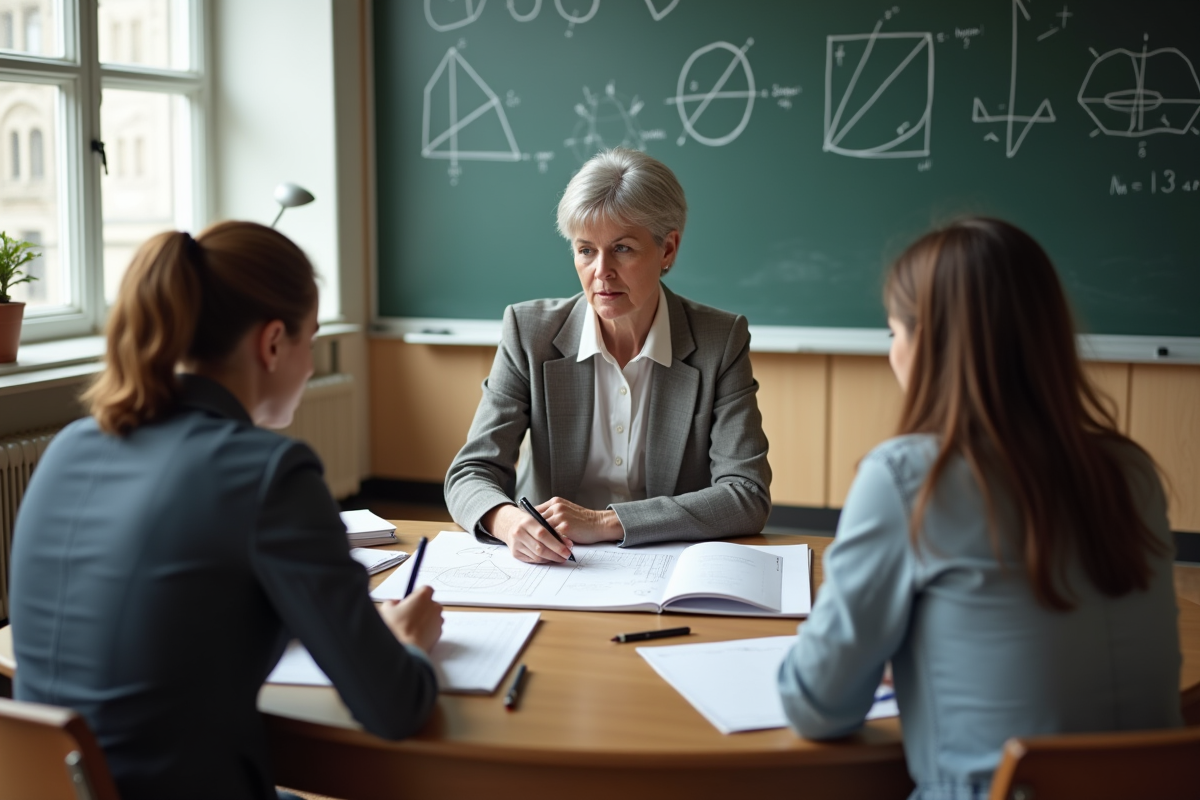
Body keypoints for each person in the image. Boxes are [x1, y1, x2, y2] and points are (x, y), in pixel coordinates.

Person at [10, 222, 443, 800]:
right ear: (272, 343)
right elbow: (393, 707)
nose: (310, 366)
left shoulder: (70, 446)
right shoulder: (268, 472)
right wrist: (406, 644)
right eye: (311, 342)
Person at [778, 218, 1182, 799]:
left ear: (926, 342)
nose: (892, 352)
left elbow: (817, 705)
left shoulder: (906, 478)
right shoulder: (1131, 470)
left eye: (893, 332)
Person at [445, 148, 772, 563]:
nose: (601, 271)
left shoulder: (719, 341)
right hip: (553, 564)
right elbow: (470, 473)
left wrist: (606, 522)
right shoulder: (529, 333)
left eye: (622, 248)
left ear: (667, 250)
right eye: (586, 250)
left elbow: (746, 494)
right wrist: (509, 523)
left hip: (664, 562)